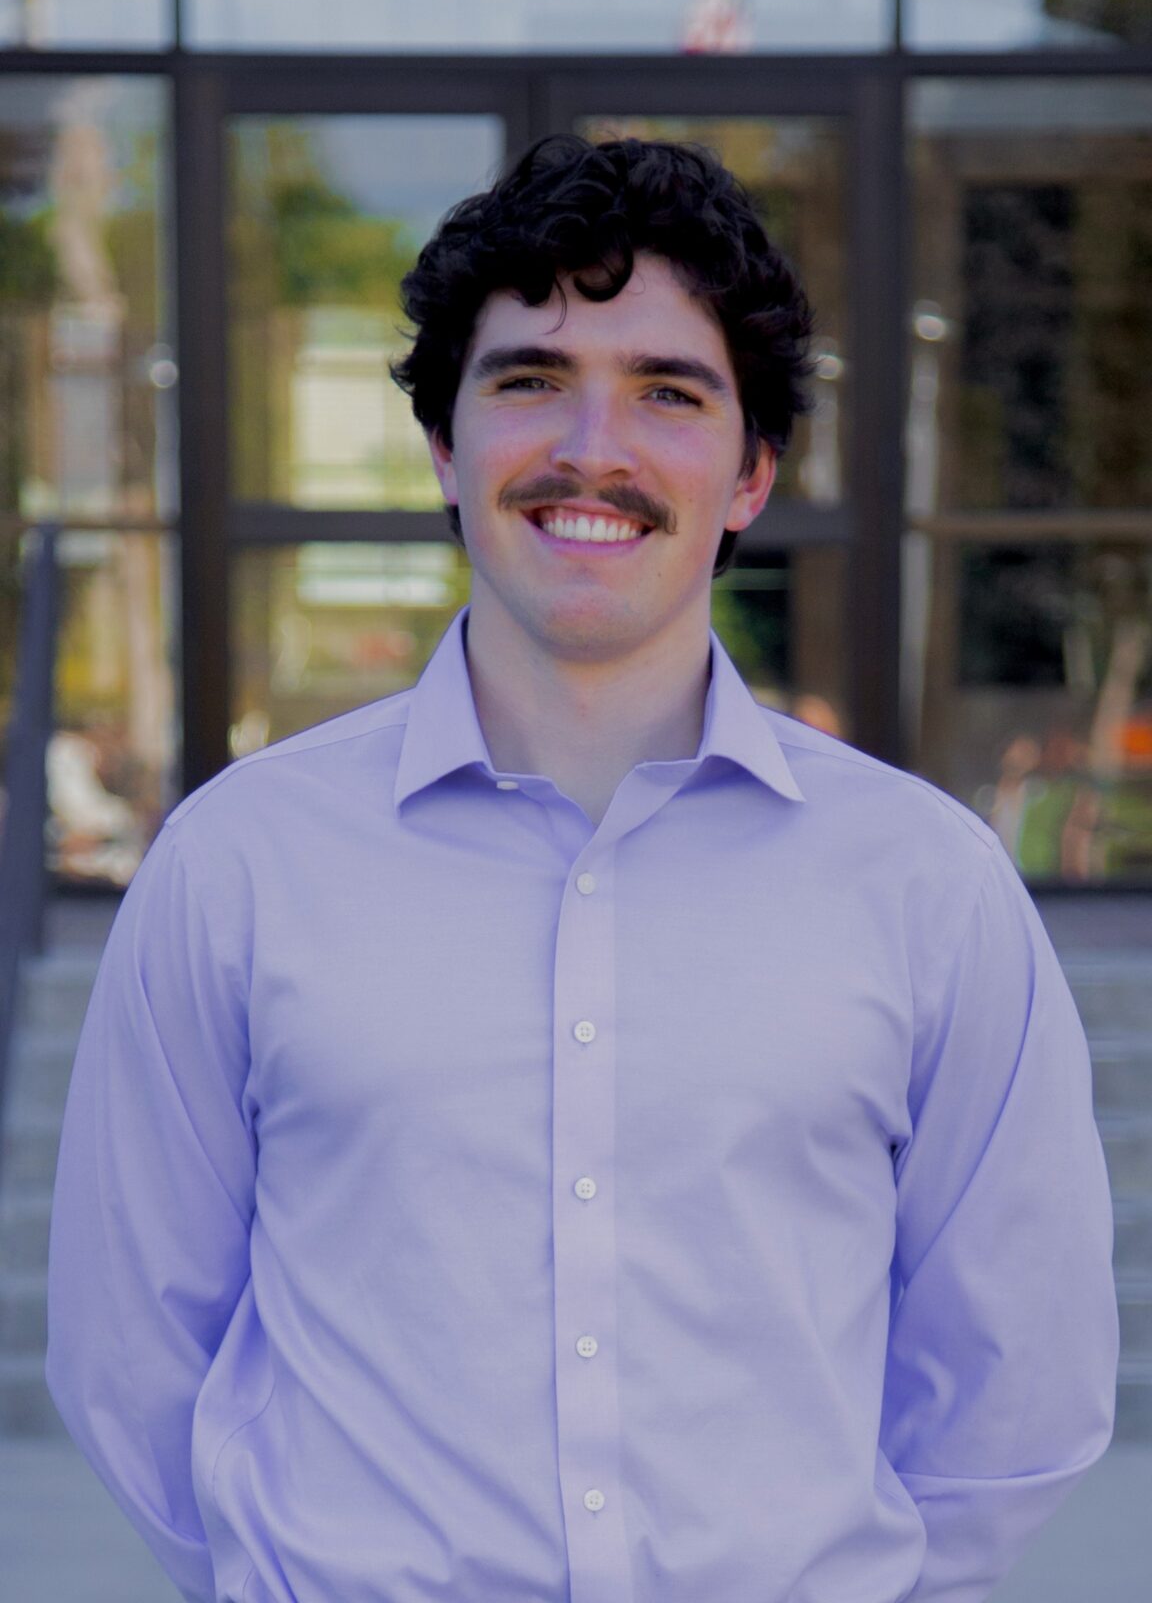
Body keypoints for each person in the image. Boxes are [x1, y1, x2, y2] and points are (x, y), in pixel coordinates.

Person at [46, 134, 1118, 1603]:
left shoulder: (924, 883)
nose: (592, 450)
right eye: (531, 378)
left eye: (668, 393)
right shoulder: (239, 863)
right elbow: (132, 1351)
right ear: (446, 446)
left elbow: (1020, 1376)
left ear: (750, 474)